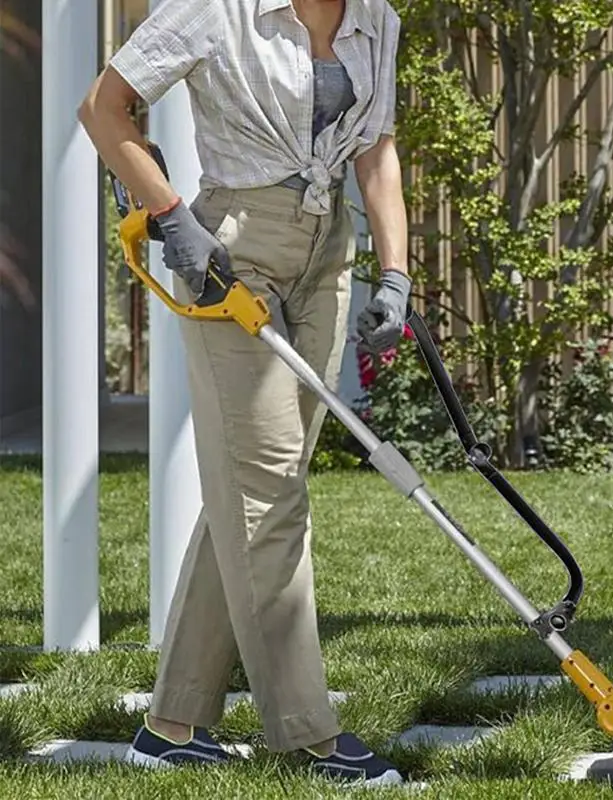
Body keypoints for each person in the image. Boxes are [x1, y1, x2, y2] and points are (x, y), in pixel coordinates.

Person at [78, 0, 410, 787]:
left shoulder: (377, 18)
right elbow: (105, 106)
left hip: (326, 251)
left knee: (258, 488)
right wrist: (171, 218)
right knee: (266, 497)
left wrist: (396, 273)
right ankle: (306, 733)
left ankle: (173, 722)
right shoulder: (213, 7)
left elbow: (378, 149)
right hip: (230, 255)